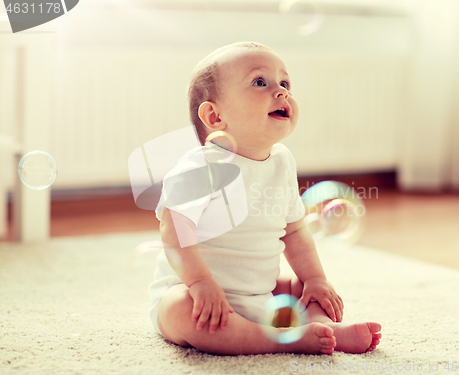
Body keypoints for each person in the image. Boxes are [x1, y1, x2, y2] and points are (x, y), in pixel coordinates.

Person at [149, 41, 382, 355]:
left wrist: (315, 278)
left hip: (260, 294)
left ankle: (325, 327)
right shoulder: (199, 166)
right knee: (178, 309)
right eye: (260, 82)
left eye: (285, 83)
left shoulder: (282, 162)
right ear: (215, 116)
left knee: (303, 288)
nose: (282, 91)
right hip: (197, 295)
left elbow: (295, 230)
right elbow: (173, 230)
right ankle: (275, 340)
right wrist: (201, 283)